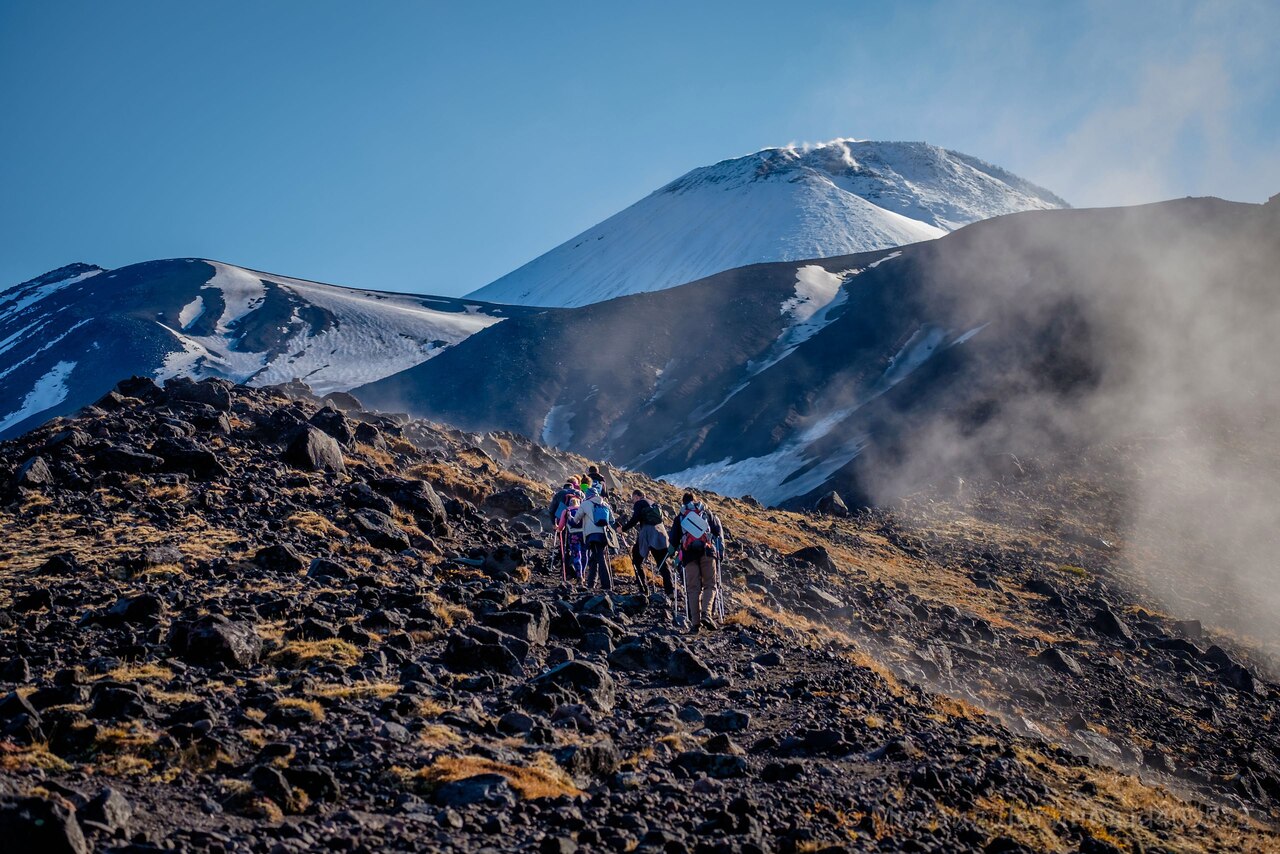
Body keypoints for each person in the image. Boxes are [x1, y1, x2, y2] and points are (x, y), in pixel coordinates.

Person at [669, 491, 725, 631]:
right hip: (708, 552)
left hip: (689, 555)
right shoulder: (707, 513)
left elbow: (673, 541)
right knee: (710, 584)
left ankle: (695, 624)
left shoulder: (680, 517)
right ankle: (707, 613)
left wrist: (673, 554)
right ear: (695, 500)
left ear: (683, 502)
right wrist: (720, 553)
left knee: (693, 588)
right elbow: (718, 534)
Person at [621, 488, 671, 595]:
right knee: (662, 564)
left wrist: (623, 529)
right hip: (661, 534)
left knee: (637, 560)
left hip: (647, 534)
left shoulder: (639, 503)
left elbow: (635, 519)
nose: (633, 501)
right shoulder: (654, 503)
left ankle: (643, 589)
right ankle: (670, 592)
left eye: (633, 498)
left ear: (637, 496)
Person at [579, 486, 617, 591]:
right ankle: (591, 583)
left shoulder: (585, 504)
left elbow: (577, 518)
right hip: (604, 535)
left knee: (600, 558)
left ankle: (606, 585)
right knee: (595, 557)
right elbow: (612, 520)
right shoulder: (605, 504)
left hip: (592, 535)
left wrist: (569, 517)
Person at [556, 495, 586, 585]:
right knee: (584, 554)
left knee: (577, 555)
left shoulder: (566, 511)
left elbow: (561, 526)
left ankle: (579, 574)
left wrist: (558, 529)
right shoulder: (582, 510)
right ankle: (583, 573)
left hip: (573, 535)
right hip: (584, 534)